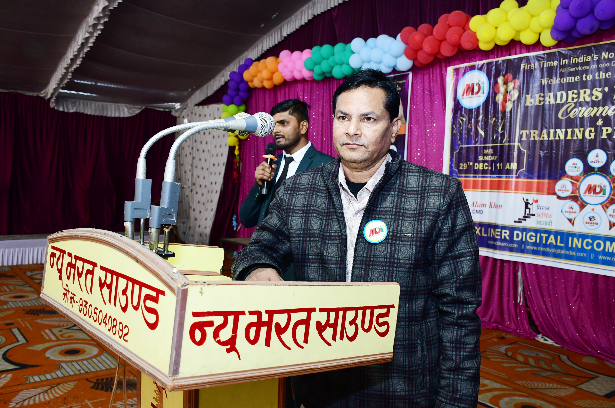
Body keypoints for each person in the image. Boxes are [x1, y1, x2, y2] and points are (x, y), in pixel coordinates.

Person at [232, 69, 481, 407]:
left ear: (394, 127)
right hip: (320, 384)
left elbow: (459, 313)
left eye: (368, 118)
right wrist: (257, 268)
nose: (352, 130)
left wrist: (455, 402)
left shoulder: (437, 195)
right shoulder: (299, 190)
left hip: (402, 387)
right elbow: (257, 250)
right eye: (343, 117)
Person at [239, 99, 333, 230]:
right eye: (273, 125)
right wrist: (259, 187)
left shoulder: (327, 165)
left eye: (283, 123)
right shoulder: (271, 165)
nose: (275, 130)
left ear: (303, 127)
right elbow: (247, 219)